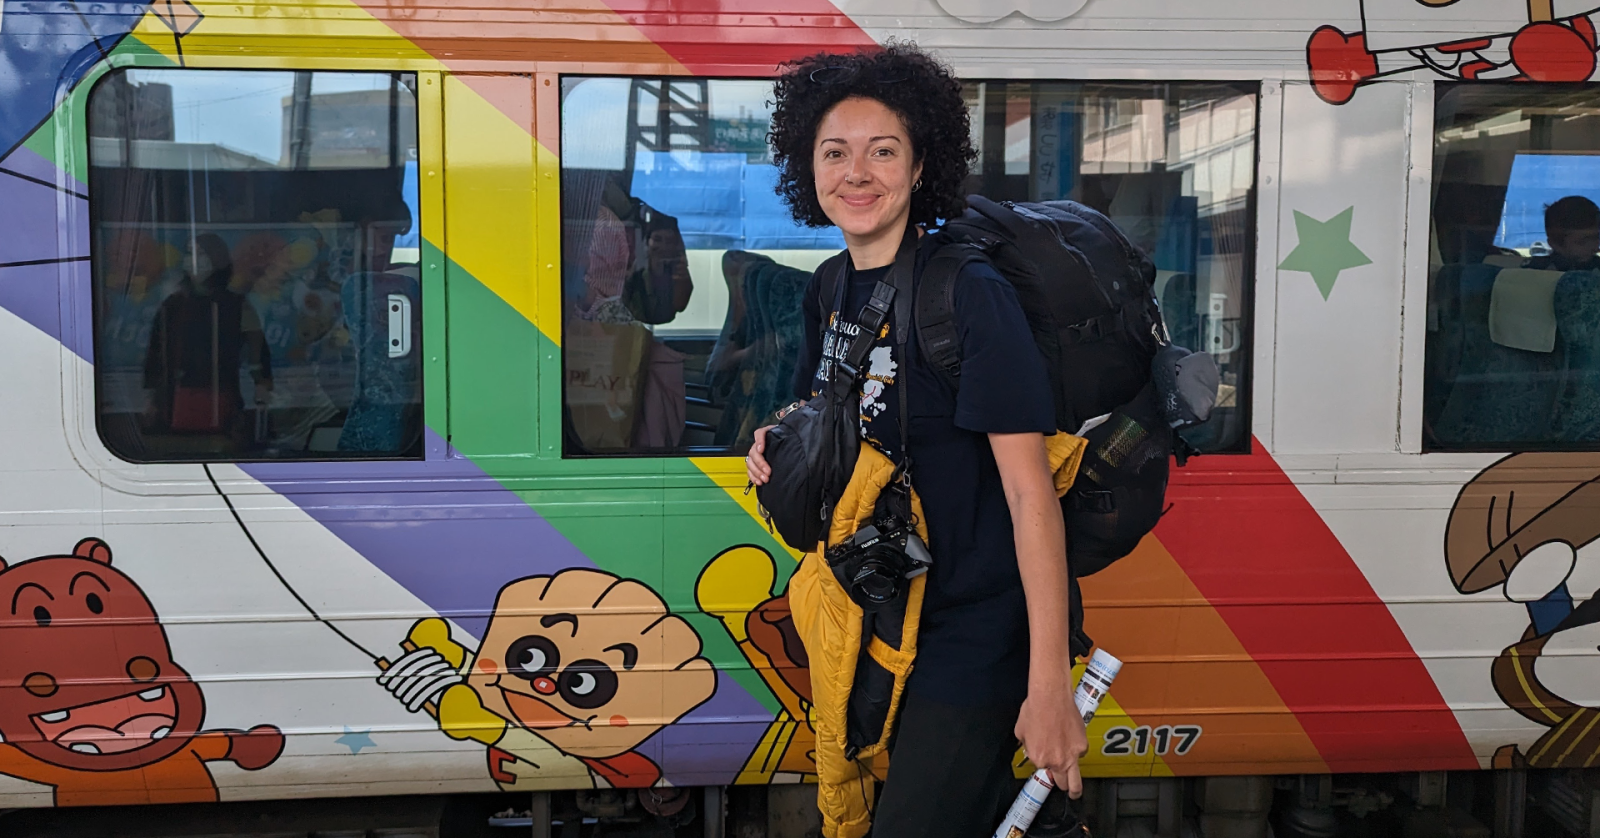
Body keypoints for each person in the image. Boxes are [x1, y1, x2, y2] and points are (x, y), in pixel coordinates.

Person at [744, 43, 1088, 837]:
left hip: (971, 634)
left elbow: (1030, 494)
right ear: (809, 167)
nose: (856, 172)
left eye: (882, 150)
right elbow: (832, 419)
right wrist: (777, 440)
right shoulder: (830, 287)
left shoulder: (967, 295)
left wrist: (1047, 686)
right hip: (882, 625)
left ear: (920, 163)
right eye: (835, 152)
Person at [143, 233, 273, 444]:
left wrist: (262, 383)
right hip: (174, 400)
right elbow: (155, 352)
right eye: (189, 253)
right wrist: (150, 398)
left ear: (216, 259)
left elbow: (257, 350)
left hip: (222, 396)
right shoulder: (173, 305)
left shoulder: (237, 305)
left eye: (201, 254)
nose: (193, 260)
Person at [1528, 195, 1600, 272]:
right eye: (1582, 242)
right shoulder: (1535, 272)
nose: (1596, 248)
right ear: (1555, 244)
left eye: (1597, 237)